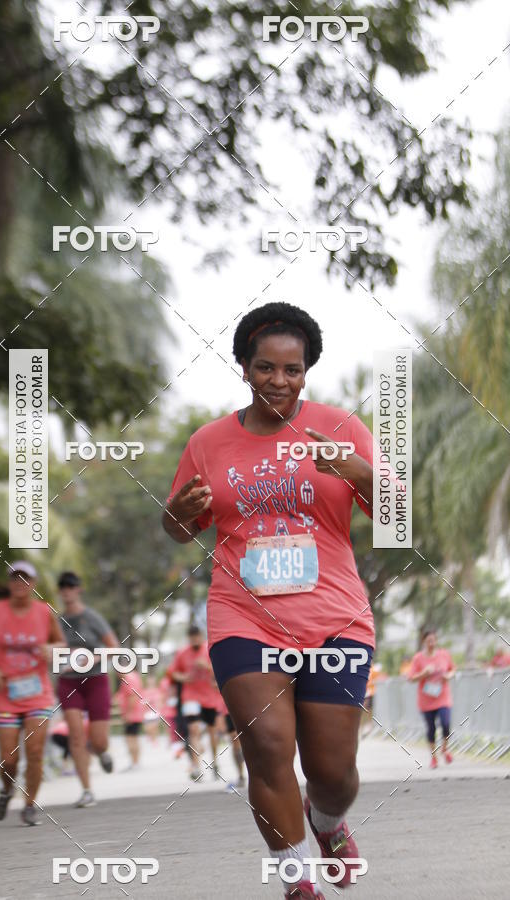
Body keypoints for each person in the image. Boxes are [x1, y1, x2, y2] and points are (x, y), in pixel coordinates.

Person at [162, 302, 375, 899]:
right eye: (265, 368)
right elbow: (183, 525)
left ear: (307, 371)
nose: (279, 381)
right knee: (267, 747)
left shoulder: (342, 427)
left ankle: (327, 821)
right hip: (244, 615)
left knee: (332, 772)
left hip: (335, 619)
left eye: (292, 369)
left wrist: (358, 471)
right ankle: (295, 880)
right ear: (244, 368)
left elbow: (396, 516)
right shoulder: (209, 442)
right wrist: (173, 518)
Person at [0, 561, 65, 825]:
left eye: (25, 579)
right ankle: (6, 789)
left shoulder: (44, 612)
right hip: (5, 695)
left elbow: (61, 643)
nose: (19, 584)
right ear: (10, 583)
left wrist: (52, 649)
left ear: (33, 584)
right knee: (9, 759)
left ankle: (29, 805)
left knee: (35, 752)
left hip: (37, 693)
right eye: (15, 579)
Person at [55, 571, 118, 808]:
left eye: (71, 586)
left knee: (99, 741)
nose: (67, 590)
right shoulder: (57, 622)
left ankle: (100, 752)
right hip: (68, 682)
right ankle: (86, 790)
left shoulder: (92, 617)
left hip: (95, 679)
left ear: (79, 589)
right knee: (76, 735)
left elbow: (114, 647)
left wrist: (90, 660)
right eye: (63, 586)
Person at [167, 626, 222, 781]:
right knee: (193, 729)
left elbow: (221, 668)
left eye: (197, 637)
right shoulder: (182, 653)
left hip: (209, 696)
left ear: (201, 637)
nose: (194, 641)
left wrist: (206, 666)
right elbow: (173, 672)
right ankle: (197, 767)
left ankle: (215, 763)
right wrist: (183, 678)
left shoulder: (209, 650)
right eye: (192, 638)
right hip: (190, 696)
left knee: (212, 732)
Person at [407, 628, 455, 768]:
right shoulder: (418, 658)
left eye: (433, 640)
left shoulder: (444, 655)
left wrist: (449, 676)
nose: (431, 643)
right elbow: (411, 678)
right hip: (426, 700)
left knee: (446, 724)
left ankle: (445, 748)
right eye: (428, 641)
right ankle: (434, 757)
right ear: (424, 642)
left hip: (443, 697)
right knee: (431, 729)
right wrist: (423, 673)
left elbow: (452, 669)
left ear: (436, 641)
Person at [115, 667, 146, 770]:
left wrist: (128, 713)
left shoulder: (129, 678)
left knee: (130, 738)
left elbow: (133, 696)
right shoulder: (133, 676)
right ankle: (135, 762)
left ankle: (135, 762)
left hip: (133, 714)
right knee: (133, 738)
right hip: (136, 713)